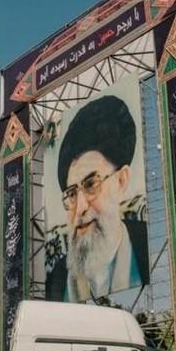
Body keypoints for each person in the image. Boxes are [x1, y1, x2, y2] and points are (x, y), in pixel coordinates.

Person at [46, 94, 149, 301]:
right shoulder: (56, 280)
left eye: (91, 184)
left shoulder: (149, 250)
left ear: (121, 181)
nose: (80, 208)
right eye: (72, 193)